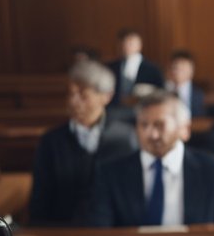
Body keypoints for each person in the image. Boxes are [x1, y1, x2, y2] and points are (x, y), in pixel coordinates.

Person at [87, 90, 214, 227]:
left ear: (185, 129)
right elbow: (99, 234)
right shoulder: (110, 173)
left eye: (159, 125)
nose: (151, 135)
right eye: (144, 125)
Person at [29, 60, 137, 225]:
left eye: (83, 95)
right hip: (62, 233)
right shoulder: (50, 141)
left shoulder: (125, 138)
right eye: (70, 94)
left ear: (106, 96)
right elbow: (40, 200)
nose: (73, 101)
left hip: (115, 233)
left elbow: (131, 196)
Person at [107, 29, 163, 105]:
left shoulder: (153, 69)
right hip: (115, 108)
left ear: (140, 45)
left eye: (130, 43)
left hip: (143, 108)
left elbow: (161, 92)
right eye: (123, 42)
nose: (126, 46)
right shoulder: (110, 67)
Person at [164, 50, 206, 117]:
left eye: (183, 67)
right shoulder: (161, 91)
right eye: (175, 67)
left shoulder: (199, 93)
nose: (177, 71)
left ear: (192, 70)